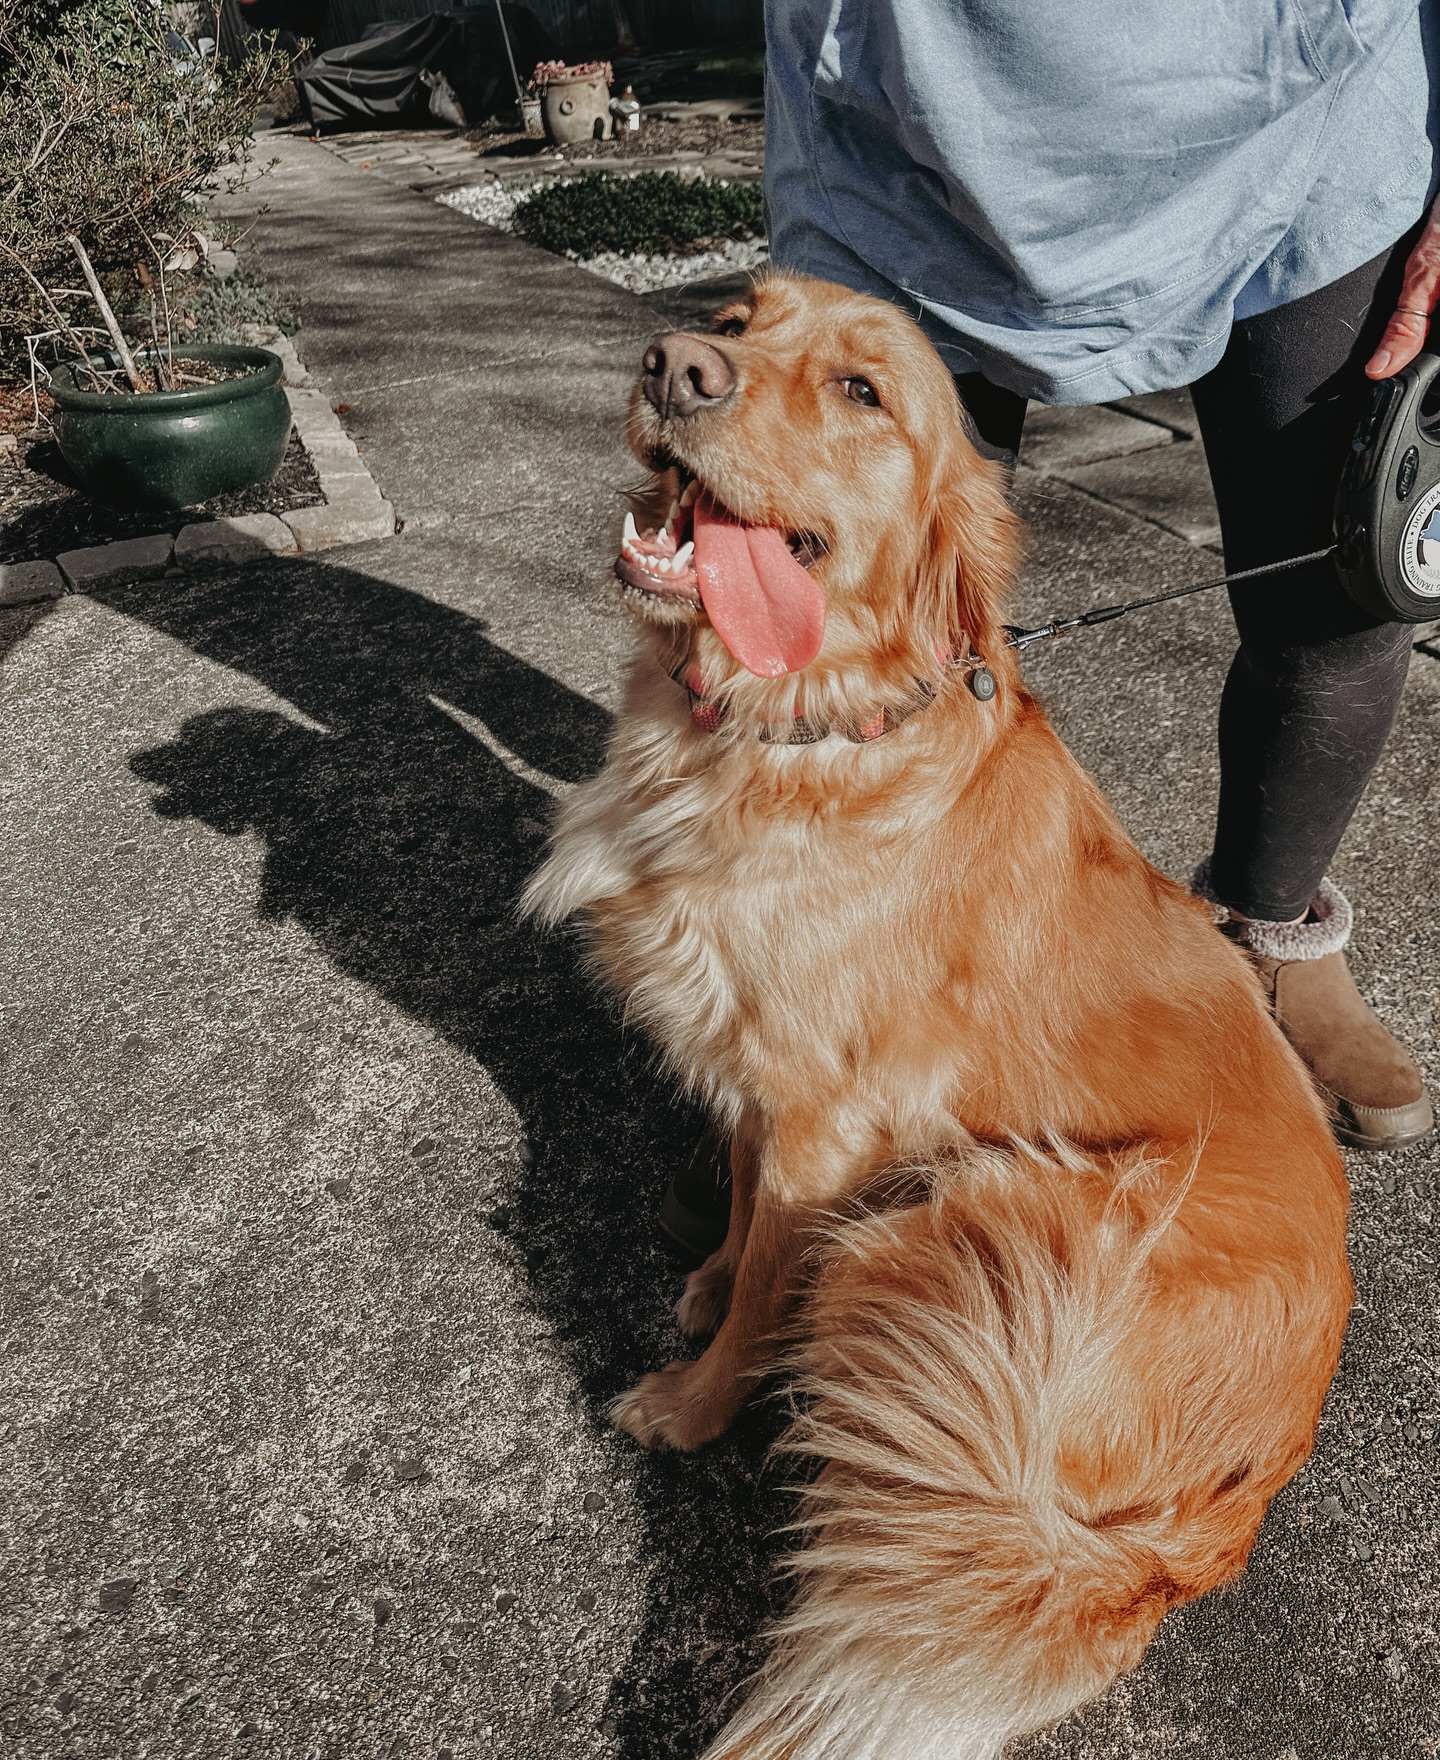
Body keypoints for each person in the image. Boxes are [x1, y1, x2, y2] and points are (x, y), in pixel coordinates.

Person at [662, 0, 1435, 1256]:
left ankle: (1270, 923)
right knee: (835, 597)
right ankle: (821, 1004)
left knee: (1340, 599)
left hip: (1307, 122)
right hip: (905, 127)